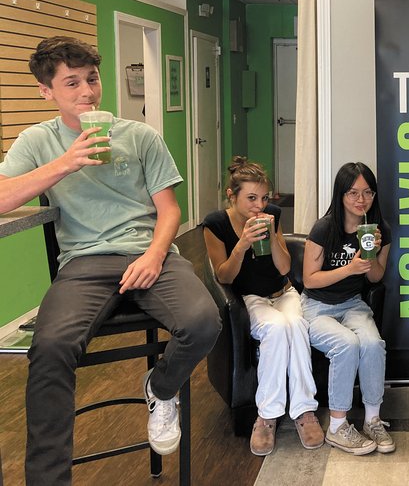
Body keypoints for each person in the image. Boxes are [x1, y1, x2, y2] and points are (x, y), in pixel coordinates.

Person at [0, 36, 221, 485]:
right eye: (72, 83)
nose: (87, 92)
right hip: (83, 263)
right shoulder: (37, 140)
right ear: (47, 92)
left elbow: (170, 210)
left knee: (204, 322)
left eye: (93, 79)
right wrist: (64, 163)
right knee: (50, 349)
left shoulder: (140, 135)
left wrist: (156, 255)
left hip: (150, 254)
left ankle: (159, 389)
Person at [203, 157, 324, 456]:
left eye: (264, 198)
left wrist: (271, 237)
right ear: (232, 196)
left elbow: (285, 268)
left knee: (297, 324)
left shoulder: (272, 216)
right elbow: (224, 275)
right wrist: (242, 244)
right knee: (276, 327)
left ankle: (304, 411)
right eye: (251, 198)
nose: (259, 206)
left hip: (282, 292)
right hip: (251, 299)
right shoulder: (216, 224)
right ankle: (267, 416)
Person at [301, 162, 394, 455]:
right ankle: (338, 426)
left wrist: (373, 255)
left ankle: (372, 420)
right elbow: (309, 279)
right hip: (316, 306)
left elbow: (377, 277)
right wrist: (350, 268)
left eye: (367, 192)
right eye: (353, 193)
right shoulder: (324, 228)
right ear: (340, 195)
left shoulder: (379, 230)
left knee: (372, 343)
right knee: (347, 344)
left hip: (353, 304)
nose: (360, 200)